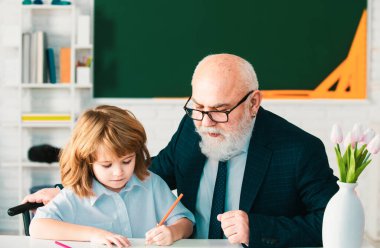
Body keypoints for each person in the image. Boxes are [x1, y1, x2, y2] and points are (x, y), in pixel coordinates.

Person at [24, 54, 338, 247]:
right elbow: (152, 172)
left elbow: (334, 223)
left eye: (219, 111)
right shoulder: (193, 126)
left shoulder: (299, 150)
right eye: (197, 107)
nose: (205, 122)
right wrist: (68, 188)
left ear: (253, 102)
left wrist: (258, 229)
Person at [28, 105, 194, 247]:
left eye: (127, 161)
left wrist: (173, 232)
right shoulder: (76, 193)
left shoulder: (151, 183)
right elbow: (37, 227)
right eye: (107, 165)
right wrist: (94, 234)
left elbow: (186, 223)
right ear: (87, 161)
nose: (118, 172)